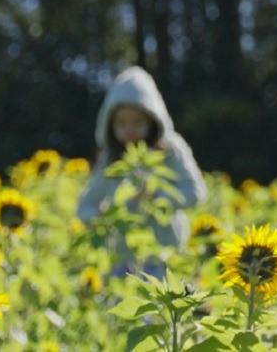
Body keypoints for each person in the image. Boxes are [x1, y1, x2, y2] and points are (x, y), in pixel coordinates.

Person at [74, 66, 208, 277]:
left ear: (152, 120)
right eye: (121, 123)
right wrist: (104, 219)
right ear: (110, 124)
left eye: (137, 122)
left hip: (166, 257)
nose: (129, 130)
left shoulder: (170, 150)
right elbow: (85, 206)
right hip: (123, 262)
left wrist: (159, 198)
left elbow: (196, 191)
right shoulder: (111, 160)